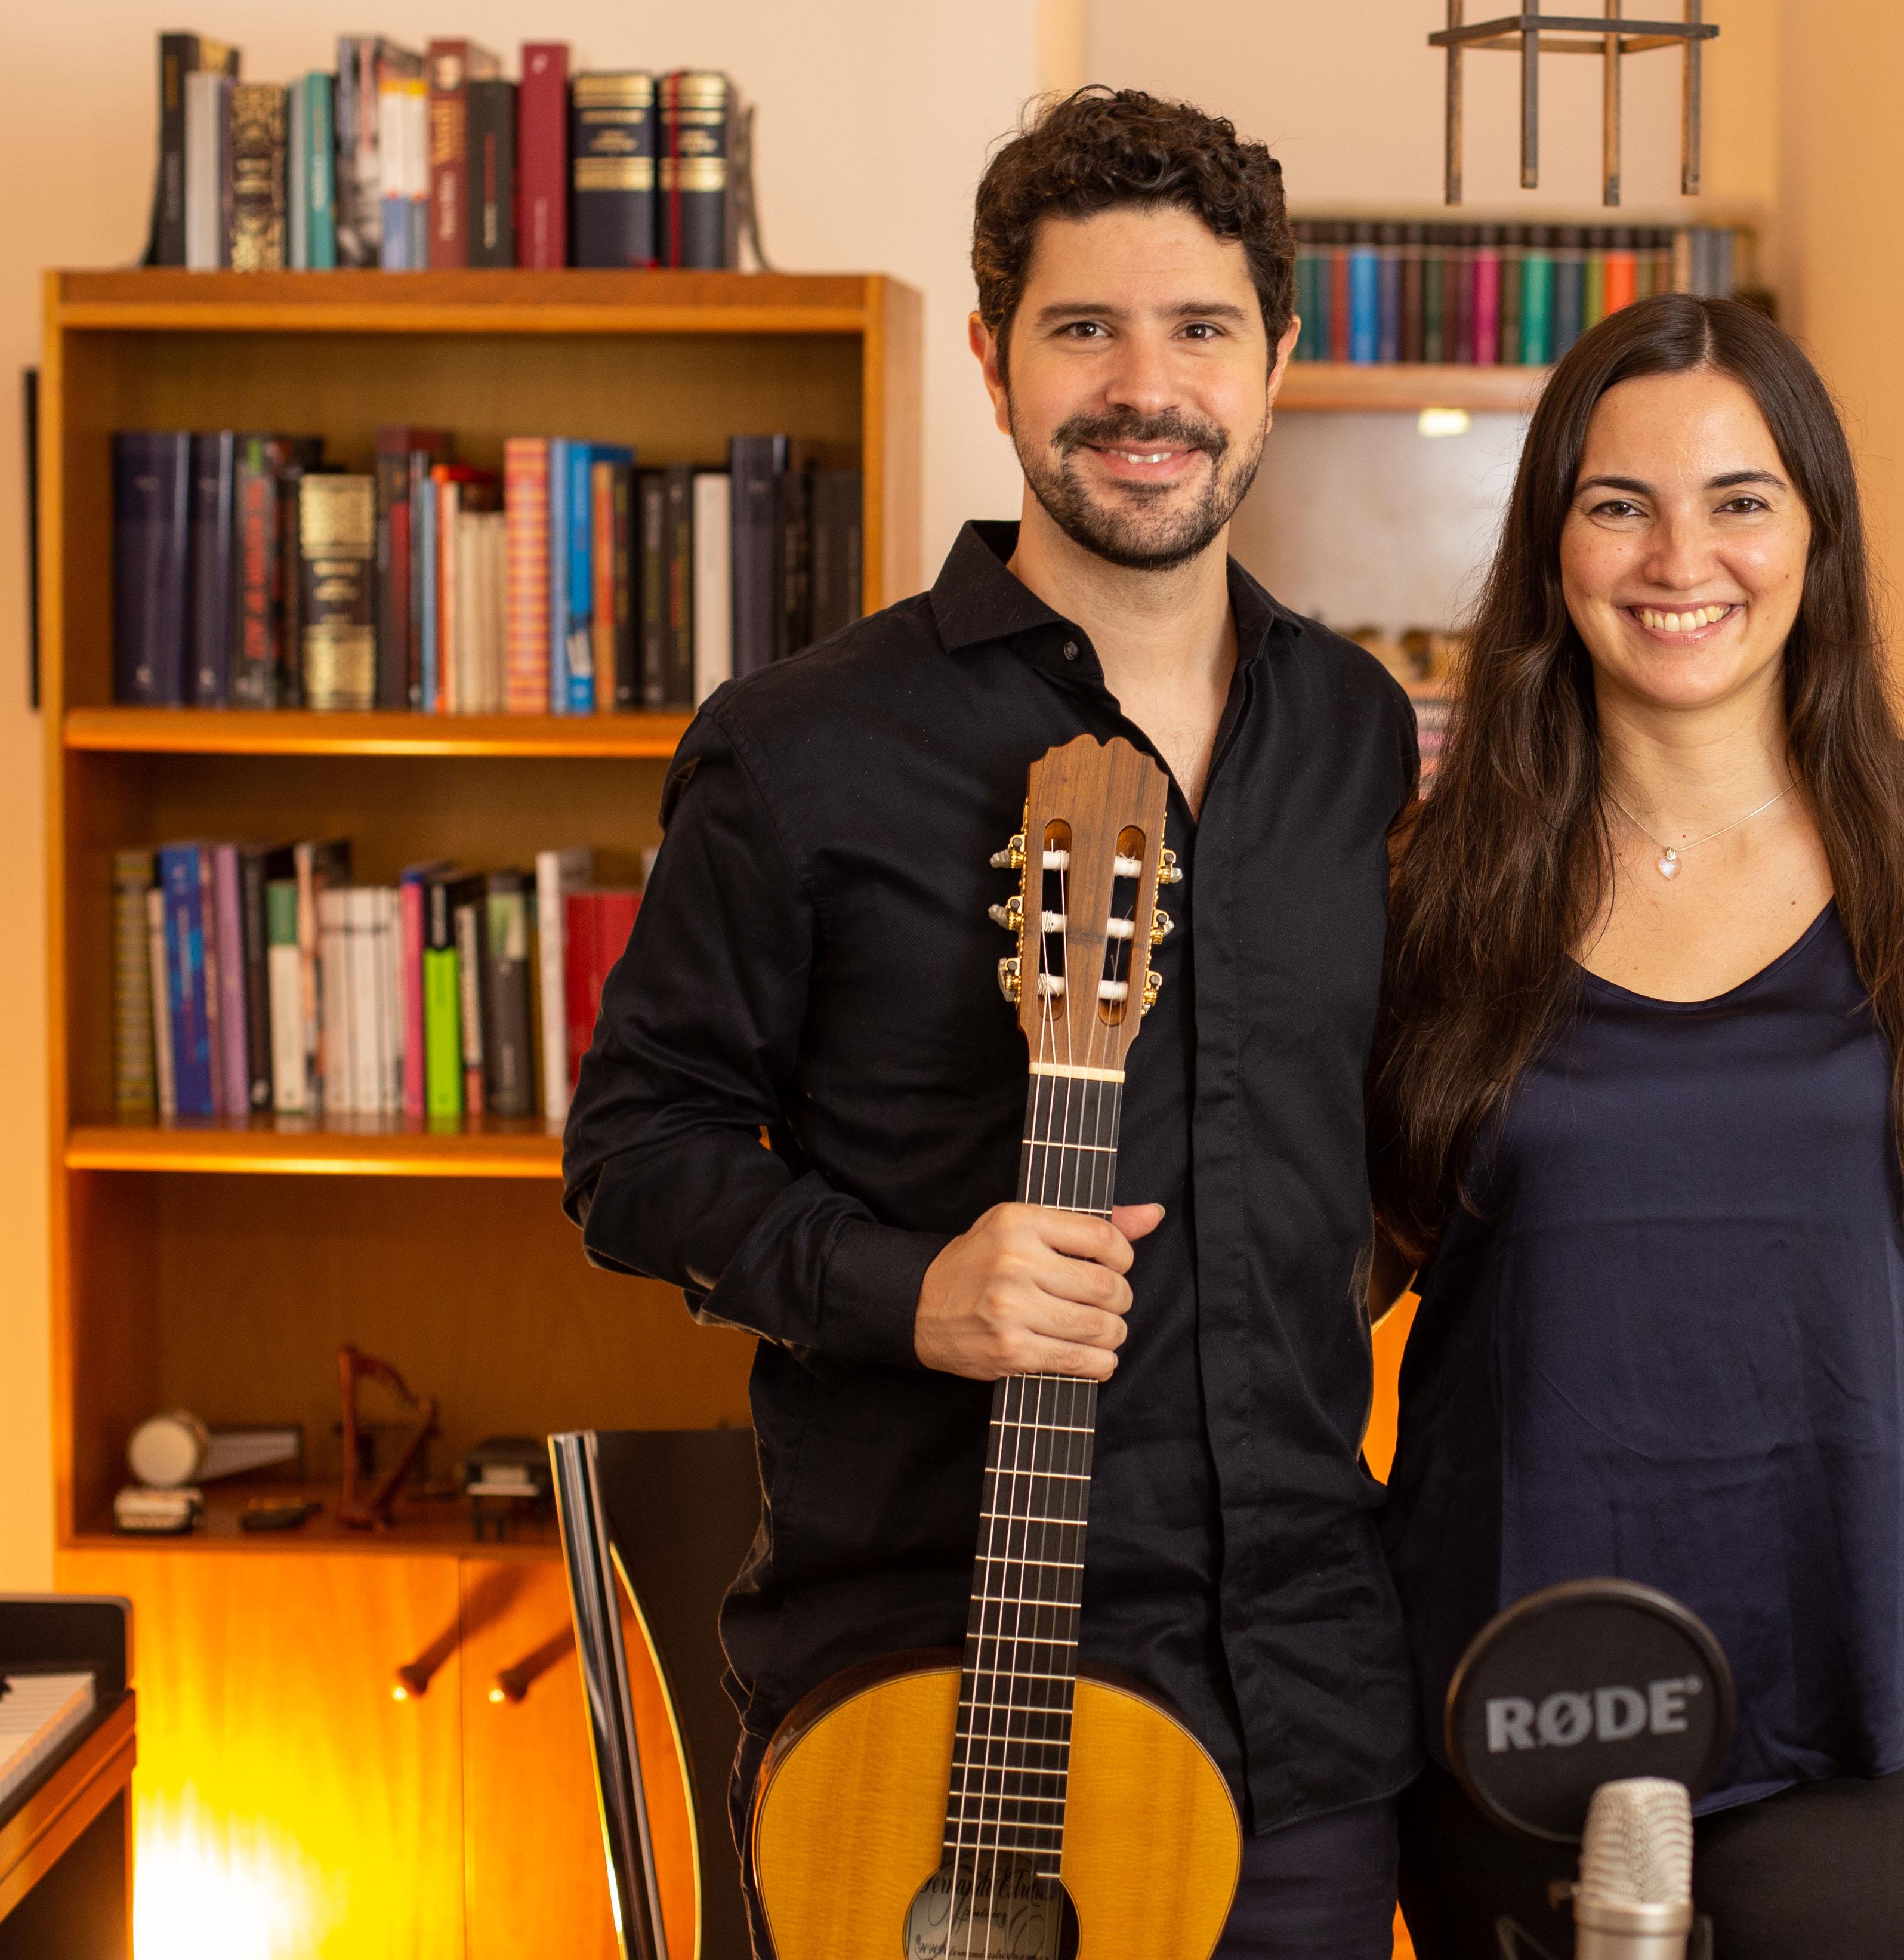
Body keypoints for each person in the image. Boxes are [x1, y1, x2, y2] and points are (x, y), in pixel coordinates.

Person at [562, 87, 1418, 1958]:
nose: (1145, 388)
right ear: (990, 357)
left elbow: (1377, 1146)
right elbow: (635, 1153)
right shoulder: (802, 748)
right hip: (925, 1704)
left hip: (1297, 1701)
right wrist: (909, 1287)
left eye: (1199, 329)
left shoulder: (1354, 737)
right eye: (1082, 328)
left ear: (1276, 362)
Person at [1369, 294, 1904, 1960]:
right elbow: (1349, 1261)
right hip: (1508, 1701)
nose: (1677, 559)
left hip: (1877, 1698)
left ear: (1816, 533)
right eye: (1618, 504)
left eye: (1738, 501)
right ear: (1550, 544)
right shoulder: (1429, 882)